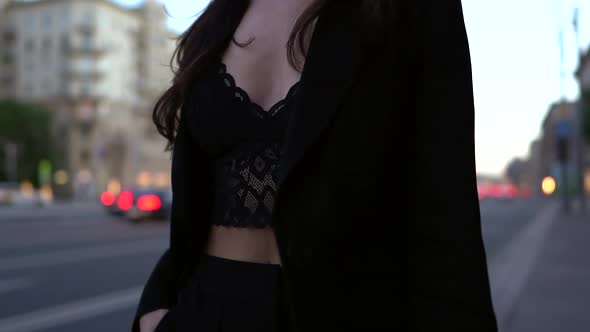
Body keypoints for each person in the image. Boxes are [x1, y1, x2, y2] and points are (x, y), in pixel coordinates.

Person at [132, 0, 498, 331]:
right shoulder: (223, 13)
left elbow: (447, 221)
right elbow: (190, 221)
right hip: (205, 307)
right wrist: (155, 311)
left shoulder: (410, 10)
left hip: (354, 313)